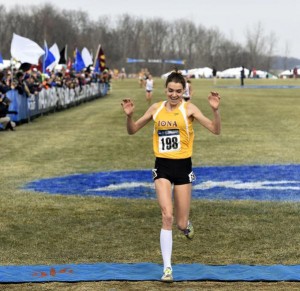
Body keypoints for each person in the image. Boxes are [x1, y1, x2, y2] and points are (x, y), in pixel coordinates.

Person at [121, 70, 221, 282]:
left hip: (184, 168)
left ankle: (186, 227)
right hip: (162, 167)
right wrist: (129, 117)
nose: (174, 95)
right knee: (167, 215)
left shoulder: (189, 108)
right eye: (170, 91)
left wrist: (215, 112)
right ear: (165, 90)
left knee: (181, 223)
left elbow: (215, 129)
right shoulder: (156, 108)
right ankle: (167, 269)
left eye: (178, 91)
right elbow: (133, 130)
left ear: (183, 91)